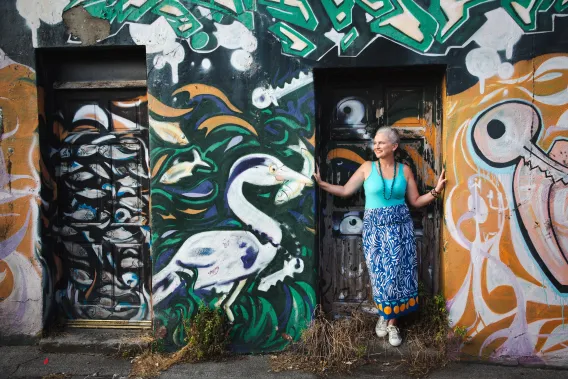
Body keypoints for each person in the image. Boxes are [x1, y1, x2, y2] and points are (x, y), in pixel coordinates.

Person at [313, 126, 447, 347]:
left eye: (381, 143)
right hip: (374, 230)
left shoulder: (404, 171)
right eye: (375, 142)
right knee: (380, 276)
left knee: (396, 276)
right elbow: (346, 190)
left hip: (400, 229)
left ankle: (391, 322)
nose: (376, 146)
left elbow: (414, 201)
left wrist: (436, 191)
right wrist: (322, 184)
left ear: (394, 146)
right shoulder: (367, 168)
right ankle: (384, 315)